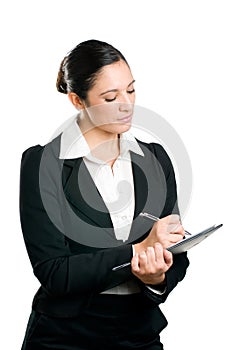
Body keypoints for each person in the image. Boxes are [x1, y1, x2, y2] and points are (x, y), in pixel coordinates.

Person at [20, 39, 189, 350]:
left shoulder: (155, 159)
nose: (126, 105)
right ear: (77, 100)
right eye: (111, 97)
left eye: (131, 90)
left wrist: (156, 278)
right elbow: (54, 272)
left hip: (139, 332)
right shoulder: (43, 164)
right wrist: (137, 251)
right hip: (65, 336)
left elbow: (176, 253)